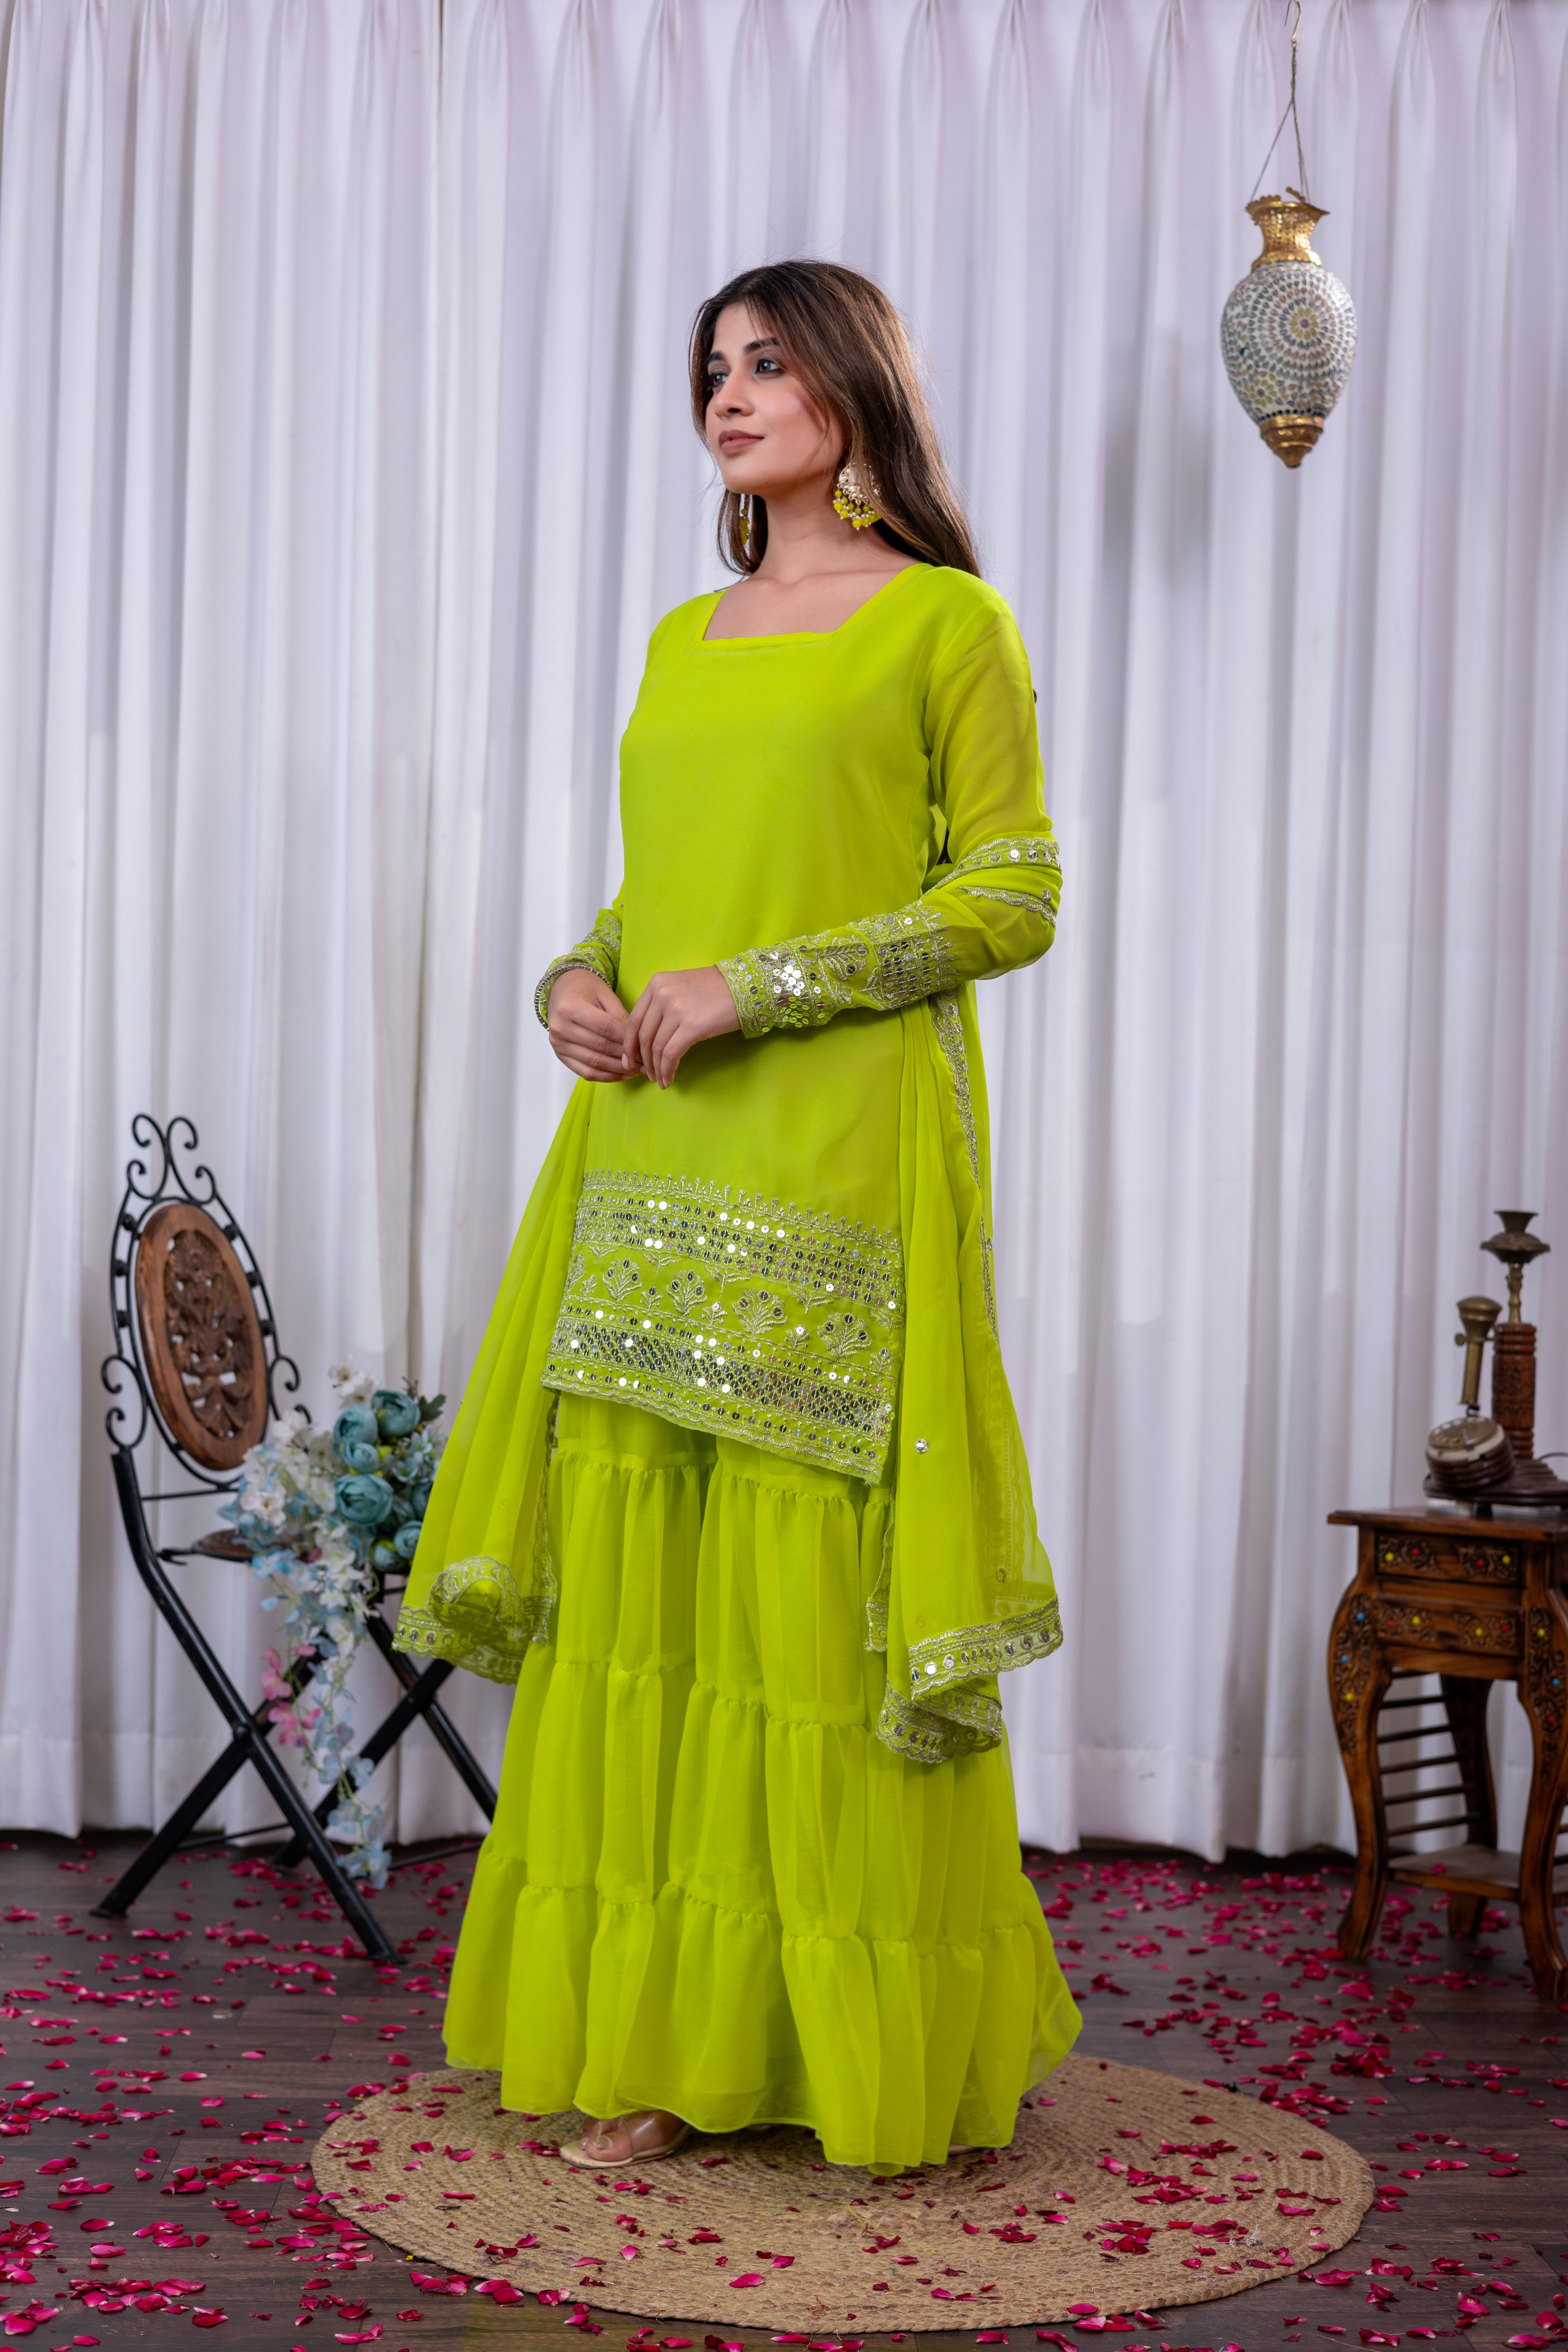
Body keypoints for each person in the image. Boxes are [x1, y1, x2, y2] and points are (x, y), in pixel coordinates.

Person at [395, 259, 1080, 2176]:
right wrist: (575, 980)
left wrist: (760, 991)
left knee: (804, 1619)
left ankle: (854, 2050)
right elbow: (652, 901)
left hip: (835, 1167)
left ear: (857, 386)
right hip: (650, 1158)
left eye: (770, 361)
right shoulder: (684, 637)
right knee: (661, 1606)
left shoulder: (951, 625)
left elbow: (1013, 893)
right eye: (713, 367)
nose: (732, 392)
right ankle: (672, 2049)